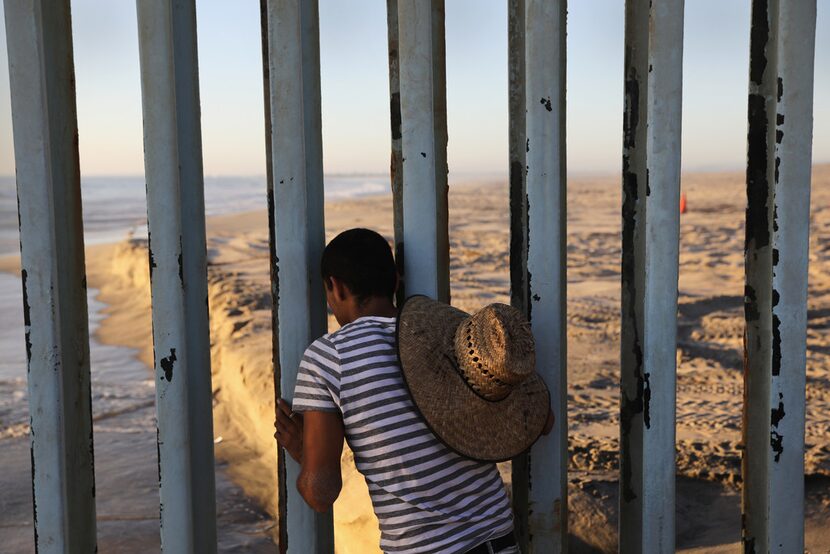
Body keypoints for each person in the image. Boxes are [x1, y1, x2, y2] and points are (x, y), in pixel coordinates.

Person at [275, 228, 553, 554]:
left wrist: (301, 452)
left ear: (334, 286)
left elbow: (320, 495)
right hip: (501, 543)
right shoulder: (447, 335)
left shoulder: (326, 358)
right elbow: (541, 421)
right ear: (395, 282)